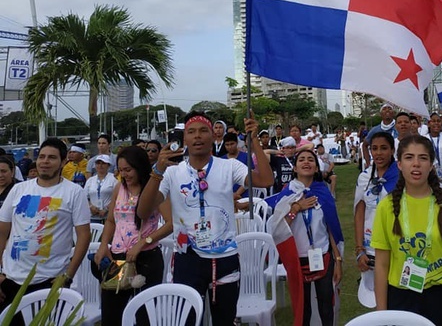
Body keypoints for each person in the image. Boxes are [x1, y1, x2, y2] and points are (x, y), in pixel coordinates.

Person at [137, 111, 274, 325]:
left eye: (203, 131)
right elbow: (143, 212)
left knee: (224, 321)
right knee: (189, 320)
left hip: (225, 257)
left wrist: (253, 139)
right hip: (187, 259)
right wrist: (158, 171)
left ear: (213, 136)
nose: (197, 136)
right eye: (191, 132)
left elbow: (266, 180)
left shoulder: (228, 166)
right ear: (184, 140)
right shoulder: (172, 173)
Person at [372, 135, 442, 325]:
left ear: (431, 164)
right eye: (409, 157)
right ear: (400, 164)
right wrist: (381, 315)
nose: (416, 164)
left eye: (423, 158)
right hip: (402, 297)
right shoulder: (386, 207)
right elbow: (381, 265)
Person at [0, 138, 91, 313]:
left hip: (49, 280)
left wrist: (68, 276)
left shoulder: (74, 192)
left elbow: (84, 236)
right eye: (42, 156)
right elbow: (2, 231)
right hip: (11, 279)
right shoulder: (19, 189)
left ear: (63, 162)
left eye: (51, 157)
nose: (45, 162)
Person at [94, 147, 172, 326]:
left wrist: (144, 242)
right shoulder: (119, 189)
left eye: (128, 170)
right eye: (121, 170)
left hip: (146, 258)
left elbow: (171, 223)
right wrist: (103, 245)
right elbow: (111, 221)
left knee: (144, 315)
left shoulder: (155, 190)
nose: (124, 175)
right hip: (118, 258)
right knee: (111, 312)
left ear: (140, 167)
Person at [267, 149, 343, 326]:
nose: (306, 162)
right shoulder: (287, 194)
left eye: (311, 159)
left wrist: (338, 260)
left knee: (326, 307)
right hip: (297, 260)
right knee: (303, 308)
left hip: (323, 256)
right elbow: (278, 228)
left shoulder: (323, 193)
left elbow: (331, 227)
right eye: (301, 159)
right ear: (295, 168)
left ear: (317, 168)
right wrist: (295, 208)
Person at [353, 132, 399, 304]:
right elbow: (359, 214)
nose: (378, 153)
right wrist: (359, 250)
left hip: (396, 247)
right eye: (374, 148)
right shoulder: (365, 177)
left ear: (393, 150)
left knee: (397, 297)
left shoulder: (403, 177)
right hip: (370, 246)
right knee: (376, 298)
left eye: (384, 148)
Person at [84, 155, 118, 224]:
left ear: (108, 165)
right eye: (98, 163)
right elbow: (84, 197)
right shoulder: (90, 180)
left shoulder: (113, 179)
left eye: (103, 163)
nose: (100, 165)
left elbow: (117, 197)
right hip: (93, 215)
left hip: (108, 216)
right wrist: (91, 207)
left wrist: (106, 209)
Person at [362, 103, 398, 169]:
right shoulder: (375, 130)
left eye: (389, 108)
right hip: (381, 164)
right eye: (384, 109)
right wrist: (368, 162)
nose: (387, 110)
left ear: (393, 113)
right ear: (380, 114)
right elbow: (365, 145)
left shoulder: (399, 127)